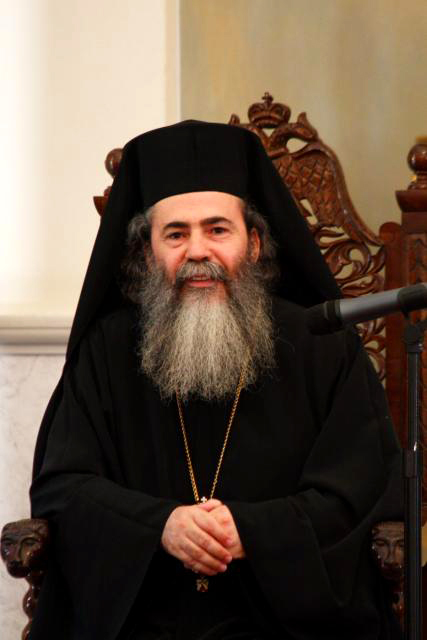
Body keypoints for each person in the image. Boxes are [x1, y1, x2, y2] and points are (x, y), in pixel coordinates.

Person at [29, 121, 402, 640]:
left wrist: (251, 531)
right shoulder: (107, 351)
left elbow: (362, 490)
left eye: (217, 230)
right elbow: (64, 487)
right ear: (147, 253)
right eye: (176, 234)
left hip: (282, 626)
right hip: (145, 622)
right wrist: (160, 525)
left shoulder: (321, 344)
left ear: (254, 243)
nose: (198, 251)